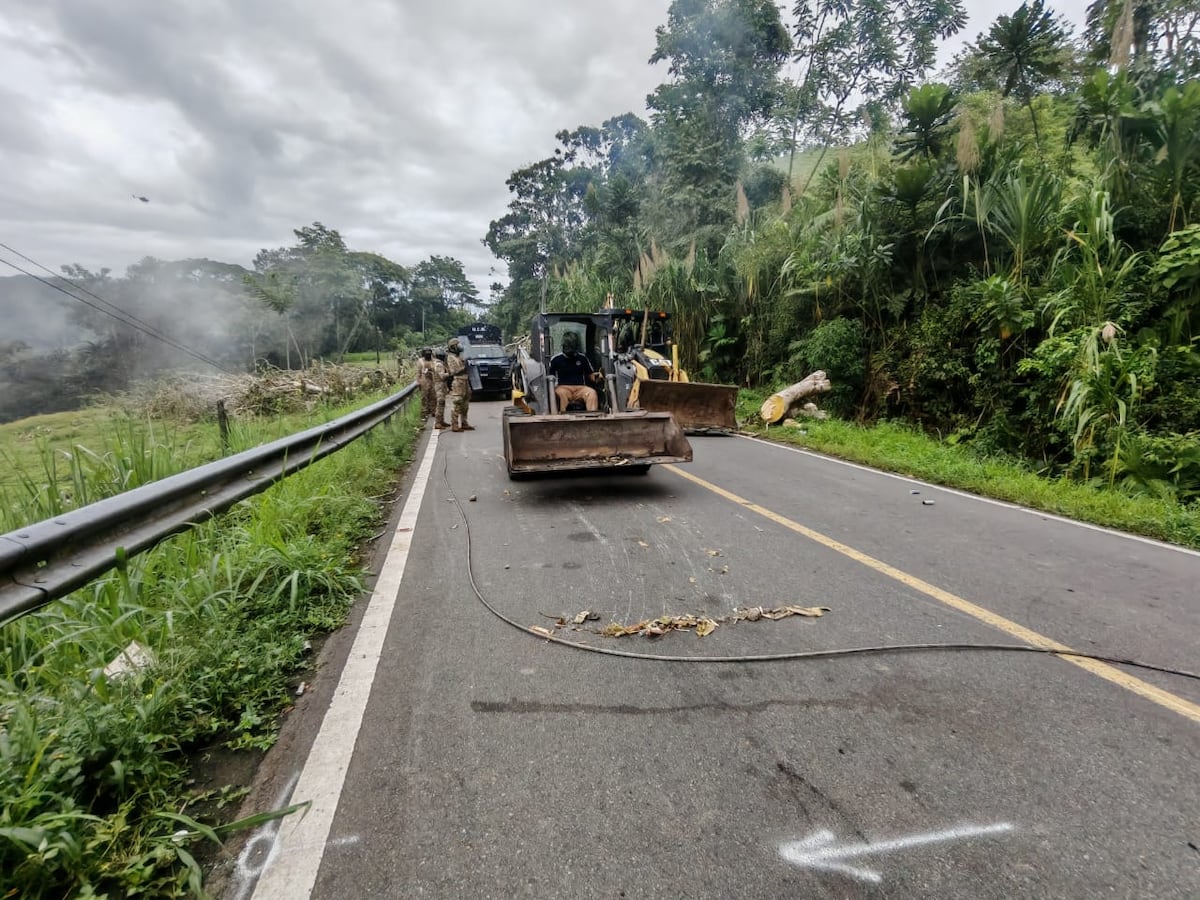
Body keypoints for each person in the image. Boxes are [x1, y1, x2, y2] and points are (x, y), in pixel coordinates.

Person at [548, 331, 601, 412]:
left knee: (592, 393)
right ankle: (562, 420)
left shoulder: (582, 358)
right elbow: (550, 378)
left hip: (580, 388)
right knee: (560, 394)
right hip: (563, 388)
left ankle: (592, 419)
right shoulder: (555, 359)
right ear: (563, 345)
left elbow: (590, 374)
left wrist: (597, 376)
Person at [445, 337, 474, 431]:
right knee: (457, 403)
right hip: (458, 382)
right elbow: (453, 371)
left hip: (465, 381)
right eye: (457, 345)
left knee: (465, 404)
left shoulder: (459, 356)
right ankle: (455, 425)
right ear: (453, 347)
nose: (460, 346)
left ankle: (464, 423)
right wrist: (464, 367)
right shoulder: (450, 357)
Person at [432, 347, 450, 430]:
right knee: (440, 404)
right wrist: (449, 373)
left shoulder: (440, 363)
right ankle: (438, 422)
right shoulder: (439, 364)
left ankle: (441, 421)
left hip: (442, 385)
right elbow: (442, 376)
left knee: (442, 403)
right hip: (439, 385)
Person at [417, 347, 437, 422]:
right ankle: (424, 413)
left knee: (434, 397)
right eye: (426, 352)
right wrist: (418, 382)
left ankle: (433, 411)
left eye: (429, 352)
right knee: (424, 397)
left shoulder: (434, 361)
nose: (428, 353)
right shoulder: (420, 361)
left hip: (433, 380)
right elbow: (418, 372)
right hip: (424, 380)